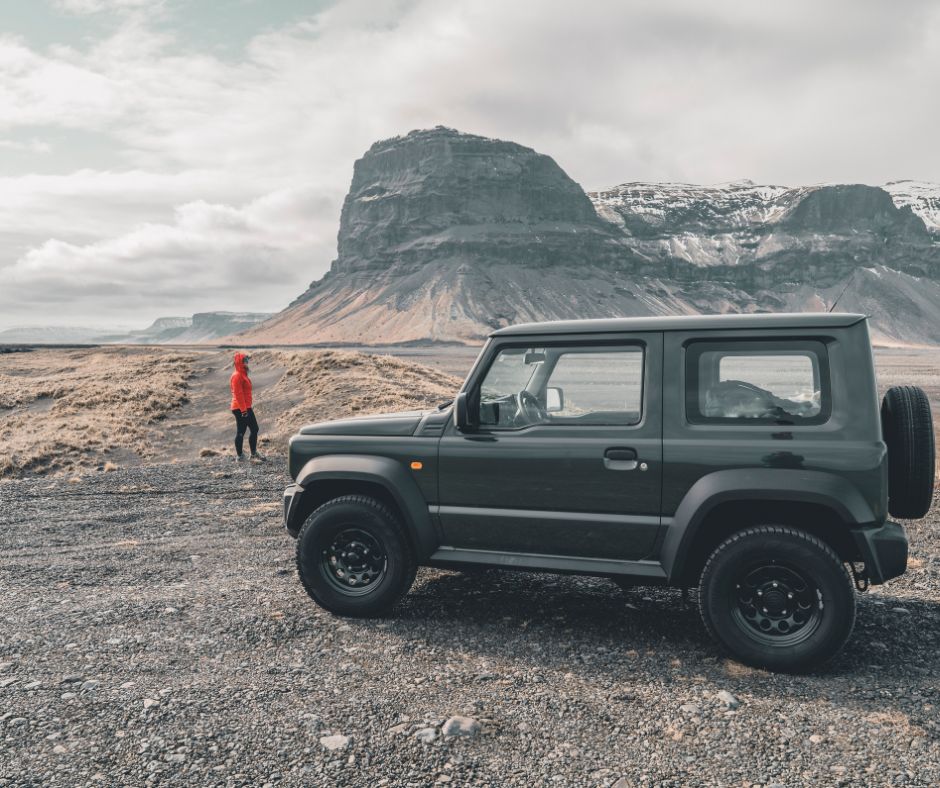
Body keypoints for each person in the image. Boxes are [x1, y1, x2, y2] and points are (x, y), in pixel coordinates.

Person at [230, 352, 263, 462]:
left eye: (247, 360)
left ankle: (251, 454)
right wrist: (244, 411)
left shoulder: (242, 374)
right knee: (245, 430)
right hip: (240, 408)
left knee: (251, 429)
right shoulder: (237, 376)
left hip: (244, 407)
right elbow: (238, 394)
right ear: (240, 362)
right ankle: (241, 456)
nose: (247, 362)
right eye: (245, 360)